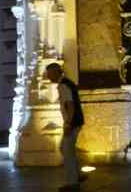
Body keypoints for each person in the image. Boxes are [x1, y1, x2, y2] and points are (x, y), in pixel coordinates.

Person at [43, 63, 85, 191]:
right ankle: (77, 175)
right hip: (75, 121)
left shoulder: (64, 86)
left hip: (72, 123)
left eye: (49, 73)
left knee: (67, 151)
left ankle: (73, 183)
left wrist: (68, 124)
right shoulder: (67, 83)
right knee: (65, 148)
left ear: (56, 72)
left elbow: (70, 105)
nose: (48, 76)